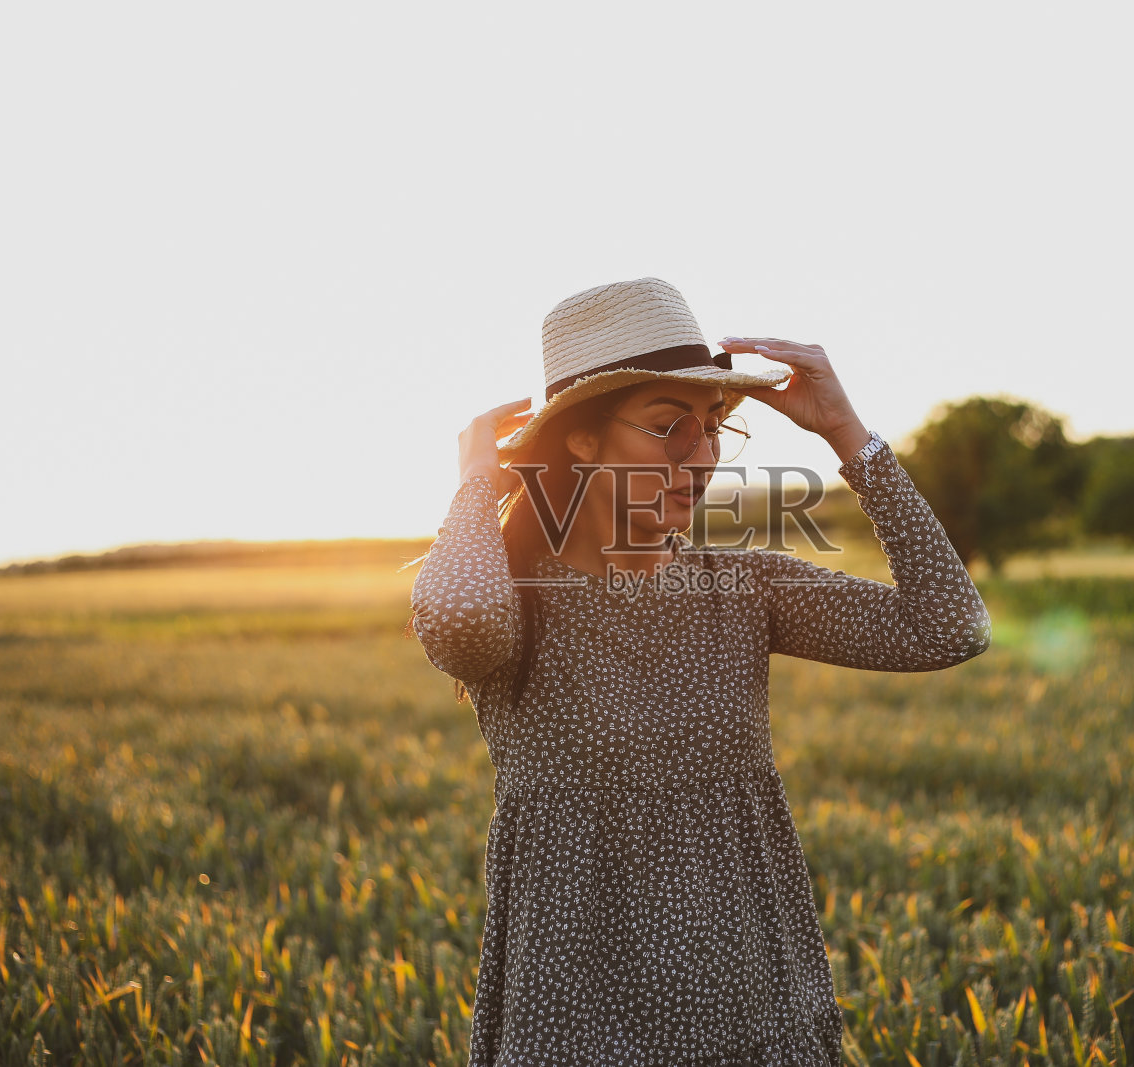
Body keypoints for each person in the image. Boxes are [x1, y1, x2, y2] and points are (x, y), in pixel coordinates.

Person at [408, 276, 992, 1066]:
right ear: (581, 439)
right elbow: (460, 622)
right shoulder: (518, 603)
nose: (702, 455)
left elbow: (949, 627)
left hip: (753, 1007)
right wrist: (480, 477)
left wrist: (850, 437)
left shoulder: (747, 587)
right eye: (667, 425)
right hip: (580, 1021)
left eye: (715, 426)